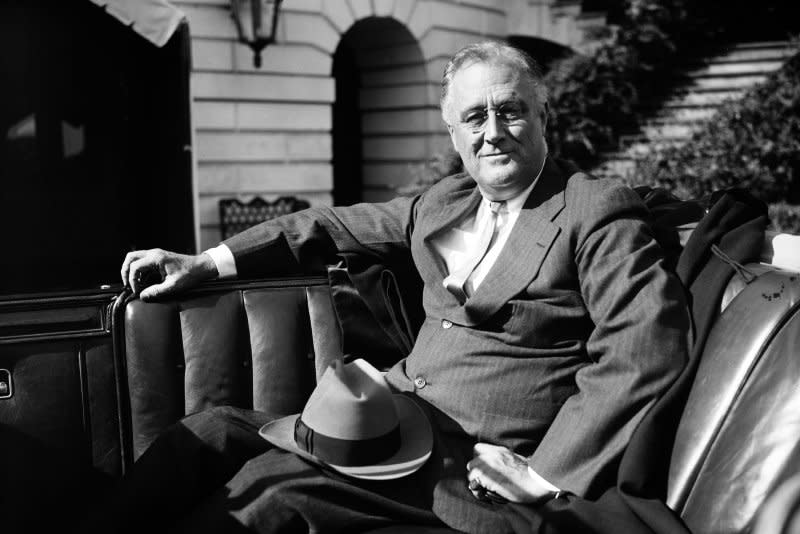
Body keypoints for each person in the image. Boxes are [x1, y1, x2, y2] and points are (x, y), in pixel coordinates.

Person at [103, 41, 689, 533]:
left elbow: (645, 348)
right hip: (388, 419)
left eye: (509, 111)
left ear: (542, 117)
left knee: (267, 496)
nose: (493, 134)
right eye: (473, 118)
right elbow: (330, 226)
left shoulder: (592, 207)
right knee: (205, 434)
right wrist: (206, 262)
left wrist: (541, 476)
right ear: (453, 132)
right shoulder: (443, 201)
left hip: (467, 467)